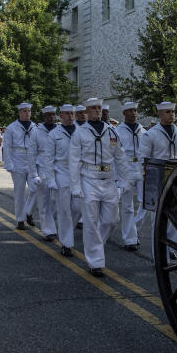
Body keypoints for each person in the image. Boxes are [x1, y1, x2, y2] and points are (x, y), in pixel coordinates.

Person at [68, 98, 129, 277]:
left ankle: (95, 247)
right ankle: (95, 262)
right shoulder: (80, 133)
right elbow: (73, 161)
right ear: (87, 111)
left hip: (108, 179)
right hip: (89, 179)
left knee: (112, 220)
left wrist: (124, 180)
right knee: (91, 222)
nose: (97, 111)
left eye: (99, 108)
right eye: (93, 108)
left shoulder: (111, 131)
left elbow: (120, 156)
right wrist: (75, 185)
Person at [138, 102, 177, 257]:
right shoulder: (150, 134)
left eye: (173, 111)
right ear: (160, 114)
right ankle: (159, 256)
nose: (171, 115)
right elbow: (143, 159)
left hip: (176, 178)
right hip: (158, 179)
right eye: (168, 112)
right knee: (158, 219)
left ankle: (171, 248)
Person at [43, 104, 80, 257]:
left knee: (78, 208)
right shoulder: (54, 134)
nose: (70, 116)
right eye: (67, 114)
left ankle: (66, 232)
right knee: (64, 210)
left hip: (78, 174)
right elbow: (48, 159)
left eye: (72, 114)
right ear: (61, 116)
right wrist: (51, 179)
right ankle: (66, 243)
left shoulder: (80, 131)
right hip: (62, 173)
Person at [113, 102, 147, 251]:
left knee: (147, 203)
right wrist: (116, 176)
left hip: (140, 168)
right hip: (125, 168)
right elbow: (113, 154)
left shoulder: (143, 130)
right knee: (127, 206)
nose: (134, 113)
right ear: (124, 114)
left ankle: (134, 227)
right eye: (130, 111)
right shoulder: (117, 131)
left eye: (135, 110)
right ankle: (130, 239)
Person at [3, 103, 38, 229]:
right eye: (24, 111)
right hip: (18, 160)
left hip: (32, 161)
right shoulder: (12, 127)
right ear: (19, 113)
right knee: (20, 192)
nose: (27, 113)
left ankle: (28, 212)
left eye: (29, 111)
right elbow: (7, 146)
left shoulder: (35, 127)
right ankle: (20, 219)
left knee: (36, 189)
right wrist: (9, 164)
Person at [31, 106, 59, 241]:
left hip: (58, 168)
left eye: (53, 115)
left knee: (56, 200)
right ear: (44, 117)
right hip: (42, 168)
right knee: (44, 200)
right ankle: (48, 230)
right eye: (48, 115)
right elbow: (32, 154)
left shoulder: (60, 130)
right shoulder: (37, 132)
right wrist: (33, 174)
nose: (51, 117)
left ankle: (51, 222)